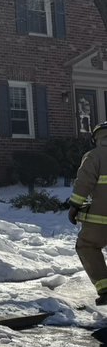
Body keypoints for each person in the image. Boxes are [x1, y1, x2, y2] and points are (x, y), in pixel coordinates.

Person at [67, 119, 107, 306]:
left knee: (87, 246)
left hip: (100, 219)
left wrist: (74, 206)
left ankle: (105, 289)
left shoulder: (94, 156)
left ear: (96, 138)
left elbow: (84, 183)